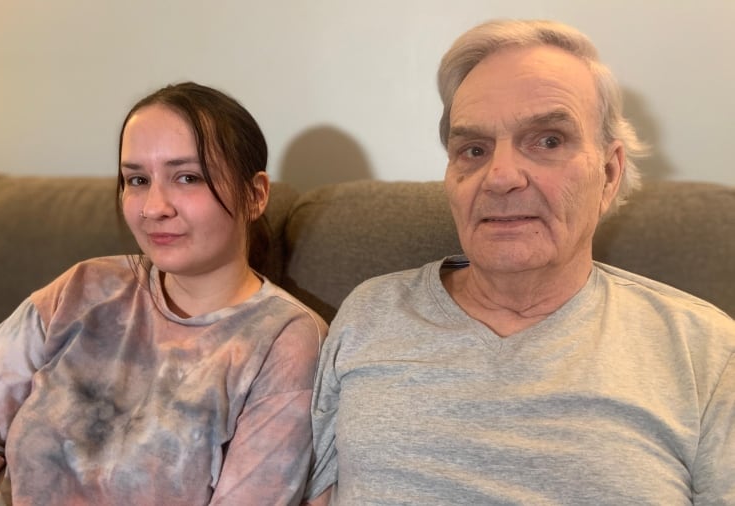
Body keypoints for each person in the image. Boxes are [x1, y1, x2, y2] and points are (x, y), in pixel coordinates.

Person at [306, 19, 735, 505]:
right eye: (473, 149)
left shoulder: (704, 350)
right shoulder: (371, 312)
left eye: (548, 140)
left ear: (610, 173)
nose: (501, 177)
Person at [0, 82, 326, 504]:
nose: (153, 207)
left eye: (187, 177)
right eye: (137, 179)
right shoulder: (83, 289)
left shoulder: (285, 341)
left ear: (255, 194)